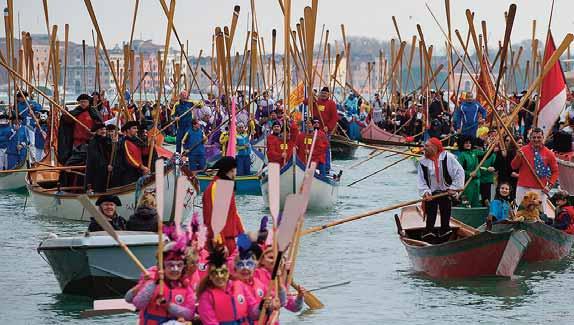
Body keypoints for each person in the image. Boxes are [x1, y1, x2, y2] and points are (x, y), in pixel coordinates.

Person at [197, 245, 265, 325]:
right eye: (214, 273)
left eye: (223, 272)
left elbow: (254, 313)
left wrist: (263, 305)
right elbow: (211, 323)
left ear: (228, 272)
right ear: (210, 276)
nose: (219, 277)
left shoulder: (240, 285)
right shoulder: (206, 297)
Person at [131, 241, 196, 324]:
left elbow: (190, 314)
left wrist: (168, 305)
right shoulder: (152, 282)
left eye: (179, 265)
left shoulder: (185, 286)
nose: (175, 270)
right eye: (170, 265)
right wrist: (154, 284)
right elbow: (138, 304)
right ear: (162, 266)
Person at [417, 137, 465, 239]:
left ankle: (445, 230)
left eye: (426, 146)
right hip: (432, 191)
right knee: (431, 209)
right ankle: (428, 231)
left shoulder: (448, 157)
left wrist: (454, 188)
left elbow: (460, 172)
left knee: (446, 208)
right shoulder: (422, 161)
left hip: (446, 190)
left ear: (434, 147)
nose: (423, 148)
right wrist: (426, 192)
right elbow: (421, 180)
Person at [202, 157, 245, 252]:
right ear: (230, 170)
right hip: (221, 242)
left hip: (229, 240)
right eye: (234, 170)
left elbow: (234, 214)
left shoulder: (225, 186)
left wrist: (243, 238)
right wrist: (220, 244)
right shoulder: (219, 187)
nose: (235, 174)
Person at [511, 127, 559, 212]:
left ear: (543, 138)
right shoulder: (522, 150)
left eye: (539, 137)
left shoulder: (549, 153)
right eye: (534, 137)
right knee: (520, 212)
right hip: (523, 187)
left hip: (540, 188)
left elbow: (555, 171)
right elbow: (514, 166)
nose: (536, 139)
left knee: (539, 214)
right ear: (530, 138)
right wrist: (518, 156)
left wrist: (549, 186)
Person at [57, 93, 103, 164]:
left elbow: (100, 125)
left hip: (91, 141)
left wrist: (95, 132)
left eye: (85, 102)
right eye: (81, 102)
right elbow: (67, 121)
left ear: (88, 102)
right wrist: (64, 115)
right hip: (77, 142)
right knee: (76, 161)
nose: (83, 104)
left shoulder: (94, 112)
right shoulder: (75, 112)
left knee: (91, 161)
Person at [115, 121, 151, 186]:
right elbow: (130, 158)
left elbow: (144, 153)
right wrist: (142, 167)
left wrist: (150, 143)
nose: (136, 130)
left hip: (138, 170)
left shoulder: (137, 140)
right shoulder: (125, 142)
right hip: (129, 173)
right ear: (128, 130)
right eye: (134, 128)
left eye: (136, 128)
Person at [85, 123, 112, 193]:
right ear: (96, 131)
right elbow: (96, 158)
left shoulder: (108, 140)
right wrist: (106, 166)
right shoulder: (93, 142)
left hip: (107, 171)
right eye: (101, 129)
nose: (103, 131)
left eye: (104, 129)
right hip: (97, 172)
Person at [456, 135, 481, 207]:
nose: (468, 144)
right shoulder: (462, 156)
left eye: (469, 143)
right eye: (466, 143)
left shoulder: (475, 152)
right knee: (466, 202)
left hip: (476, 182)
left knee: (476, 201)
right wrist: (469, 174)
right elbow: (459, 170)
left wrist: (493, 146)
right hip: (467, 183)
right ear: (462, 144)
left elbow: (486, 154)